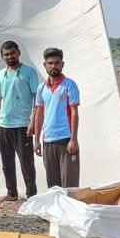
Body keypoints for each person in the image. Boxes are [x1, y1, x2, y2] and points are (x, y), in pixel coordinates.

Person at [0, 41, 40, 201]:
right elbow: (1, 97)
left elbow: (36, 99)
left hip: (22, 125)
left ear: (18, 53)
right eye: (6, 54)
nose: (10, 57)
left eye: (12, 53)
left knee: (26, 163)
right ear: (2, 56)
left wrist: (33, 121)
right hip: (3, 124)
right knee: (7, 162)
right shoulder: (1, 74)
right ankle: (11, 193)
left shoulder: (29, 72)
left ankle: (31, 195)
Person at [34, 48, 80, 188]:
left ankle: (69, 210)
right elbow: (39, 114)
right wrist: (36, 140)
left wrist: (73, 139)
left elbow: (74, 113)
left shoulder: (69, 85)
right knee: (53, 185)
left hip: (66, 140)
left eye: (57, 63)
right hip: (48, 141)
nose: (54, 66)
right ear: (45, 65)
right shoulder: (41, 88)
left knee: (69, 184)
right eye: (50, 63)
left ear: (62, 64)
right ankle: (55, 210)